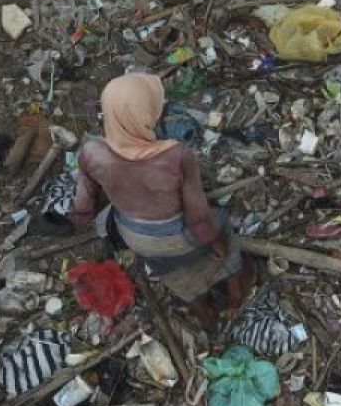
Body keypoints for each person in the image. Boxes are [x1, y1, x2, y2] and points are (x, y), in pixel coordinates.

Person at [71, 73, 254, 331]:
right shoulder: (175, 156)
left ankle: (205, 315)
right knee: (222, 232)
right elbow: (199, 217)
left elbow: (83, 208)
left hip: (136, 237)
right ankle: (235, 293)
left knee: (176, 276)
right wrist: (217, 243)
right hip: (180, 236)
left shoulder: (91, 153)